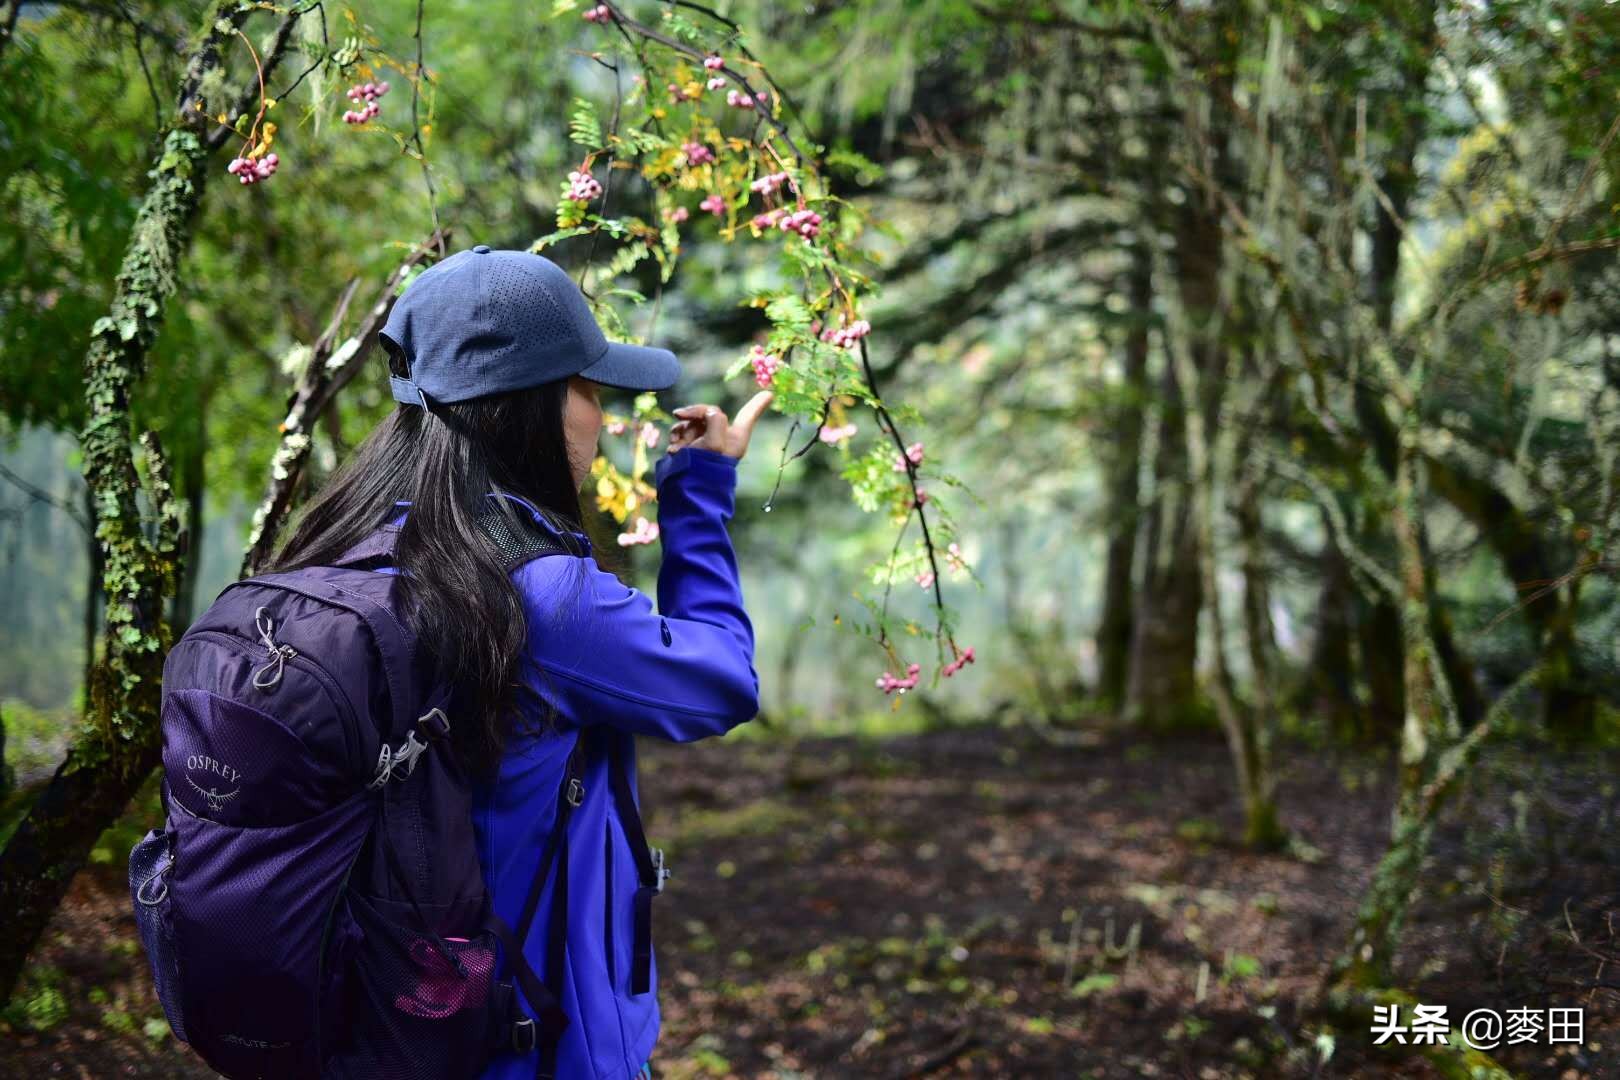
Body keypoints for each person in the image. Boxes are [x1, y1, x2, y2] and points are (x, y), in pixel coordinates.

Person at [269, 245, 769, 1079]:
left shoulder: (339, 550)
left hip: (380, 1033)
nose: (600, 414)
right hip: (531, 1050)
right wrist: (700, 489)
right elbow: (721, 681)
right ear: (532, 406)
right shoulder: (542, 597)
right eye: (587, 387)